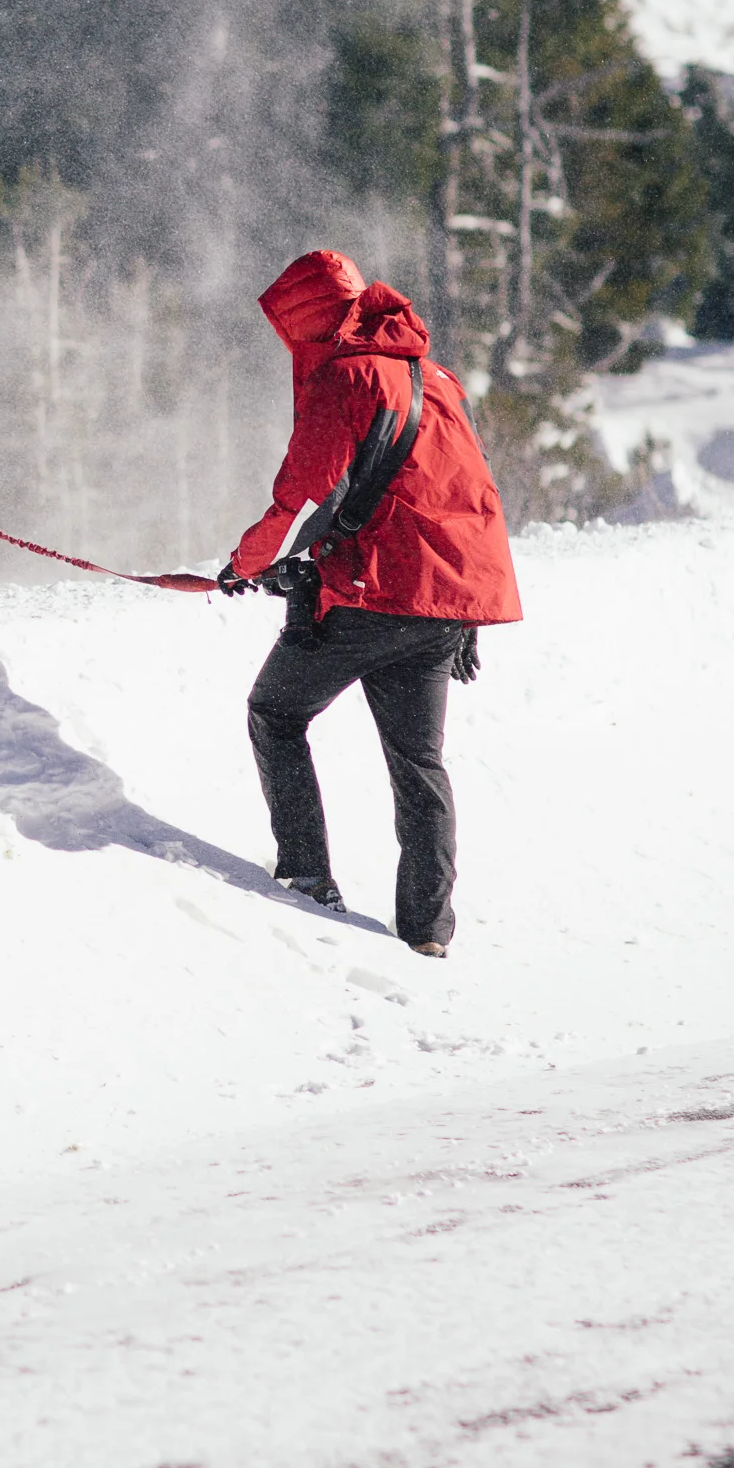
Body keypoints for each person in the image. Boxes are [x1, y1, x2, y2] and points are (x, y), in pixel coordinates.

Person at [218, 249, 521, 952]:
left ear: (311, 319)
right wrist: (466, 615)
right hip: (442, 601)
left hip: (373, 591)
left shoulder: (346, 376)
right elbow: (473, 498)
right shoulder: (433, 377)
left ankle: (306, 877)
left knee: (275, 711)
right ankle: (428, 930)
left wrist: (243, 565)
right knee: (420, 765)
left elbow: (303, 498)